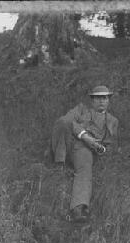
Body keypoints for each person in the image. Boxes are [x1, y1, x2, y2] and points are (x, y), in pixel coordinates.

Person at [51, 85, 119, 222]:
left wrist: (101, 148)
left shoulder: (113, 121)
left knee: (90, 167)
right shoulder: (81, 109)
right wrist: (85, 136)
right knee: (63, 124)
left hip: (92, 151)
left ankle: (81, 207)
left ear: (108, 100)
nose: (101, 101)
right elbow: (66, 121)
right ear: (92, 100)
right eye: (98, 98)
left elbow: (112, 144)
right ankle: (59, 163)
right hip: (74, 144)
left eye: (104, 98)